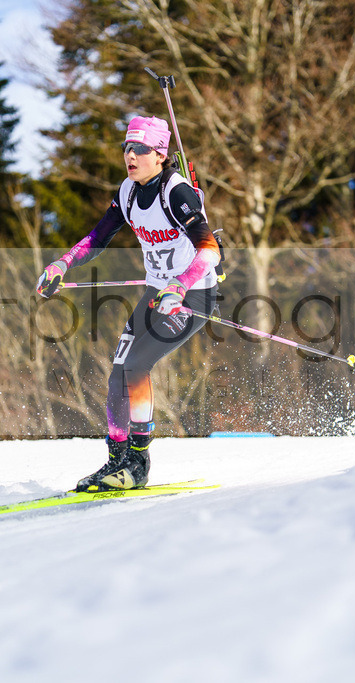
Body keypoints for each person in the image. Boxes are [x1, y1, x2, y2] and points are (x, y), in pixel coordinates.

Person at [36, 115, 221, 492]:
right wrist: (62, 263)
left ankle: (139, 463)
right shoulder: (128, 192)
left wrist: (181, 286)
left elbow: (210, 250)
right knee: (118, 374)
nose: (129, 156)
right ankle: (117, 461)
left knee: (137, 366)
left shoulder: (177, 191)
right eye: (126, 148)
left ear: (159, 154)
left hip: (192, 296)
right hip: (156, 294)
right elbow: (97, 238)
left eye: (138, 149)